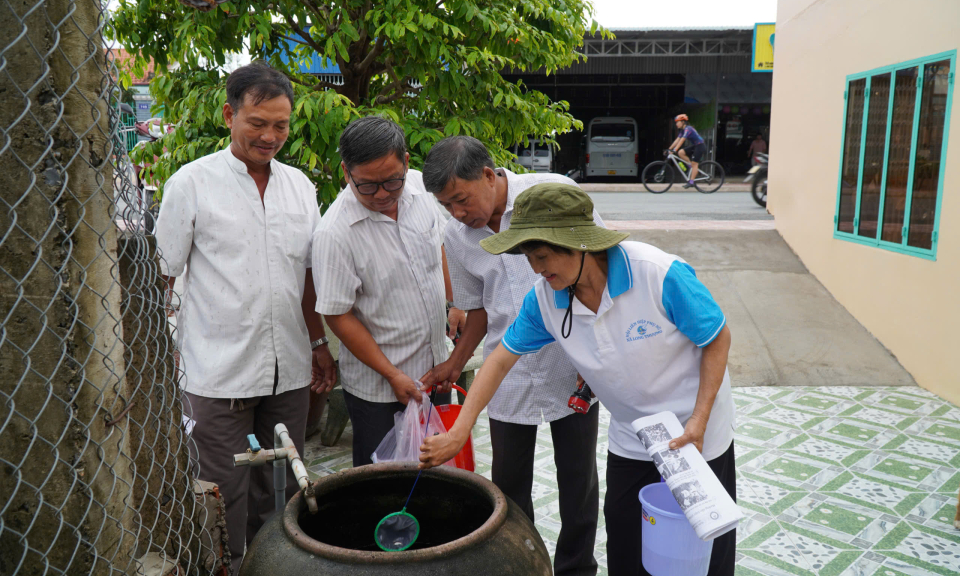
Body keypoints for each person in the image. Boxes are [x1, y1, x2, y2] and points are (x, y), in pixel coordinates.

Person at [419, 184, 737, 576]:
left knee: (704, 548)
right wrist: (457, 433)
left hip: (696, 432)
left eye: (542, 256)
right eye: (529, 258)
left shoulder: (657, 273)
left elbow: (716, 336)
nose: (536, 268)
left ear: (577, 242)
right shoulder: (546, 299)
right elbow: (499, 361)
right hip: (634, 436)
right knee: (626, 546)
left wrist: (700, 419)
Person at [155, 61, 336, 572]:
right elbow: (161, 278)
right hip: (217, 374)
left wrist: (320, 346)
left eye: (281, 125)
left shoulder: (299, 186)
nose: (270, 136)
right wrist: (160, 362)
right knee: (222, 493)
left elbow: (307, 277)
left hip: (290, 372)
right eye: (258, 123)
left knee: (280, 488)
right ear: (230, 115)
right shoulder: (192, 183)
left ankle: (276, 566)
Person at [420, 136, 602, 576]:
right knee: (509, 480)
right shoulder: (457, 236)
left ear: (487, 175)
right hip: (506, 364)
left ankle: (577, 567)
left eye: (461, 199)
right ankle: (521, 564)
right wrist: (454, 361)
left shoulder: (553, 193)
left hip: (570, 358)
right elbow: (478, 310)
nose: (459, 213)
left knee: (577, 477)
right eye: (447, 206)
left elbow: (598, 267)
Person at [312, 116, 463, 467]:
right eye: (367, 186)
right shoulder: (335, 233)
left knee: (440, 478)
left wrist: (455, 303)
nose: (381, 194)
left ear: (407, 162)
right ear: (346, 173)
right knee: (383, 486)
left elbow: (438, 245)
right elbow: (337, 314)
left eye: (391, 181)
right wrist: (393, 374)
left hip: (435, 371)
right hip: (379, 389)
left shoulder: (420, 190)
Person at [668, 113, 707, 188]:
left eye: (677, 122)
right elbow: (677, 140)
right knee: (681, 152)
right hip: (695, 145)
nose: (676, 124)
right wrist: (669, 148)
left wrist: (674, 150)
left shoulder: (688, 129)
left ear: (683, 122)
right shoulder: (682, 130)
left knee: (695, 163)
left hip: (700, 146)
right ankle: (691, 167)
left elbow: (682, 140)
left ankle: (691, 182)